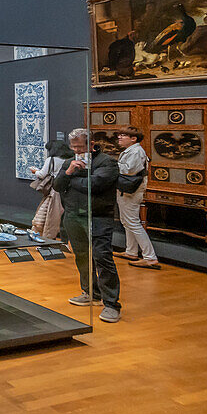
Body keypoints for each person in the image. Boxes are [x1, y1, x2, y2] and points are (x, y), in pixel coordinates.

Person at [54, 128, 122, 323]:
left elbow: (93, 184)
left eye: (80, 146)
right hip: (74, 215)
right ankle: (90, 292)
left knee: (102, 257)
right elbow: (57, 186)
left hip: (98, 217)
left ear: (91, 144)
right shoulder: (69, 162)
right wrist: (68, 172)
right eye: (73, 147)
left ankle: (111, 304)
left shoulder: (107, 162)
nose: (76, 150)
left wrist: (72, 176)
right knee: (82, 256)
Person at [114, 127, 161, 269]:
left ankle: (150, 257)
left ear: (133, 138)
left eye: (123, 135)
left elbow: (128, 170)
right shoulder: (132, 151)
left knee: (133, 222)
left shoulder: (136, 151)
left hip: (131, 191)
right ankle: (131, 251)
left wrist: (111, 166)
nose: (119, 138)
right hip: (127, 190)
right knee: (127, 221)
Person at [29, 139, 74, 239]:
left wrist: (34, 171)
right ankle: (65, 240)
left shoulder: (51, 159)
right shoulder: (70, 159)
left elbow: (42, 174)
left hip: (55, 191)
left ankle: (48, 238)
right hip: (69, 191)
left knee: (49, 215)